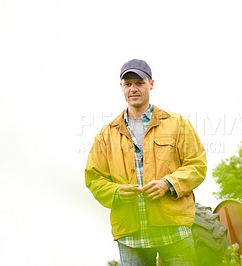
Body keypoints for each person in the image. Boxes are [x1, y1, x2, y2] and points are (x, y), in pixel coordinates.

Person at [85, 59, 207, 265]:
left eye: (139, 83)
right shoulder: (105, 135)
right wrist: (115, 192)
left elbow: (197, 164)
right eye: (128, 84)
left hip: (173, 229)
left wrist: (168, 184)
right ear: (121, 87)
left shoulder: (178, 124)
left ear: (151, 84)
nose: (133, 89)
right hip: (131, 236)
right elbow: (94, 178)